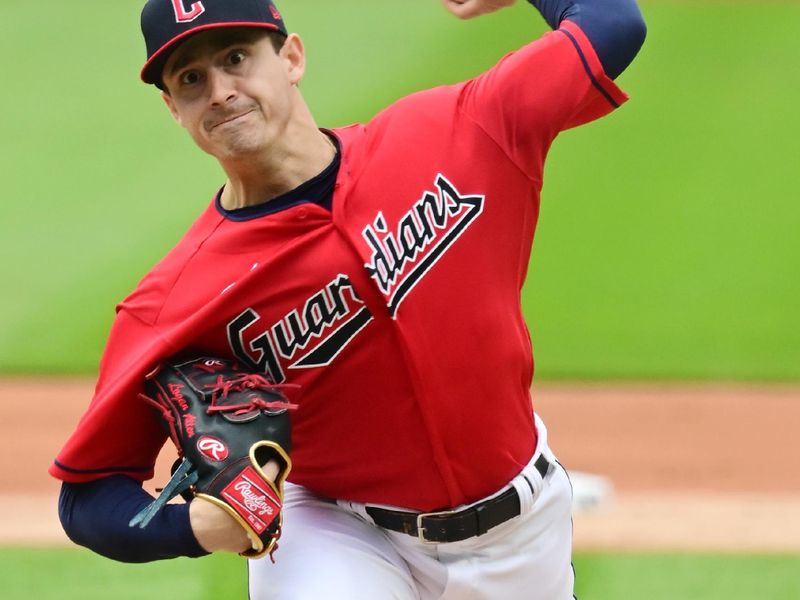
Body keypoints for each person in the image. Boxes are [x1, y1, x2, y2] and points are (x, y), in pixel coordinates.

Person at [51, 0, 646, 598]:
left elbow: (613, 25)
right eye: (190, 79)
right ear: (173, 109)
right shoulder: (178, 296)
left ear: (291, 57)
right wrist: (195, 527)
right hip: (338, 531)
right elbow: (88, 493)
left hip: (524, 527)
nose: (221, 91)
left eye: (236, 58)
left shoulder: (456, 131)